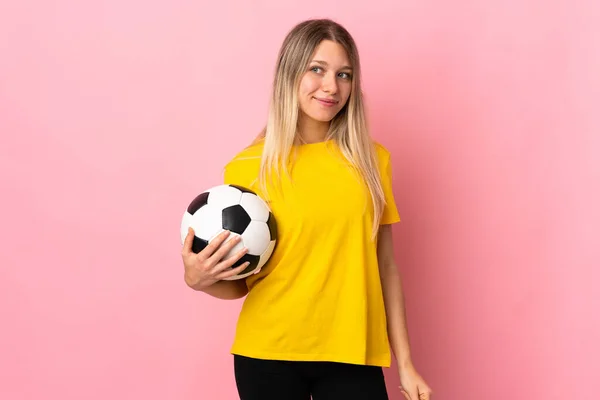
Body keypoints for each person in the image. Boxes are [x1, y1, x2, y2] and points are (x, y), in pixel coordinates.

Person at [181, 18, 433, 400]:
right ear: (290, 73)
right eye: (317, 69)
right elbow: (242, 281)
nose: (332, 86)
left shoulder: (371, 161)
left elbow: (386, 267)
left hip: (353, 354)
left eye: (344, 74)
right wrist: (199, 279)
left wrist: (407, 363)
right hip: (267, 354)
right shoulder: (248, 168)